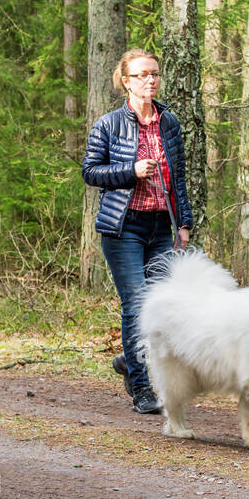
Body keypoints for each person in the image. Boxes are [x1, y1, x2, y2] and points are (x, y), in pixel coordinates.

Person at [81, 49, 193, 414]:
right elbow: (90, 172)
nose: (150, 80)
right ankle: (142, 388)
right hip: (123, 227)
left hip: (162, 226)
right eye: (142, 75)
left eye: (155, 74)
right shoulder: (109, 124)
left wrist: (184, 223)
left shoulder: (169, 122)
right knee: (137, 304)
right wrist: (131, 170)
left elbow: (179, 177)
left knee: (161, 309)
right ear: (126, 81)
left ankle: (128, 362)